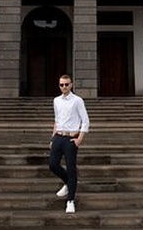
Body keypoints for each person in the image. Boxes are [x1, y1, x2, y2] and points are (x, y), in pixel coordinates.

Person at [48, 74, 89, 214]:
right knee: (53, 164)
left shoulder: (77, 101)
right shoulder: (56, 100)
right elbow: (57, 120)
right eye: (61, 85)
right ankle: (67, 183)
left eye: (66, 84)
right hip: (58, 137)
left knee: (71, 169)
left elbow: (85, 120)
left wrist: (79, 139)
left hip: (71, 139)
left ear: (71, 85)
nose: (64, 87)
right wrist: (52, 138)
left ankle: (70, 200)